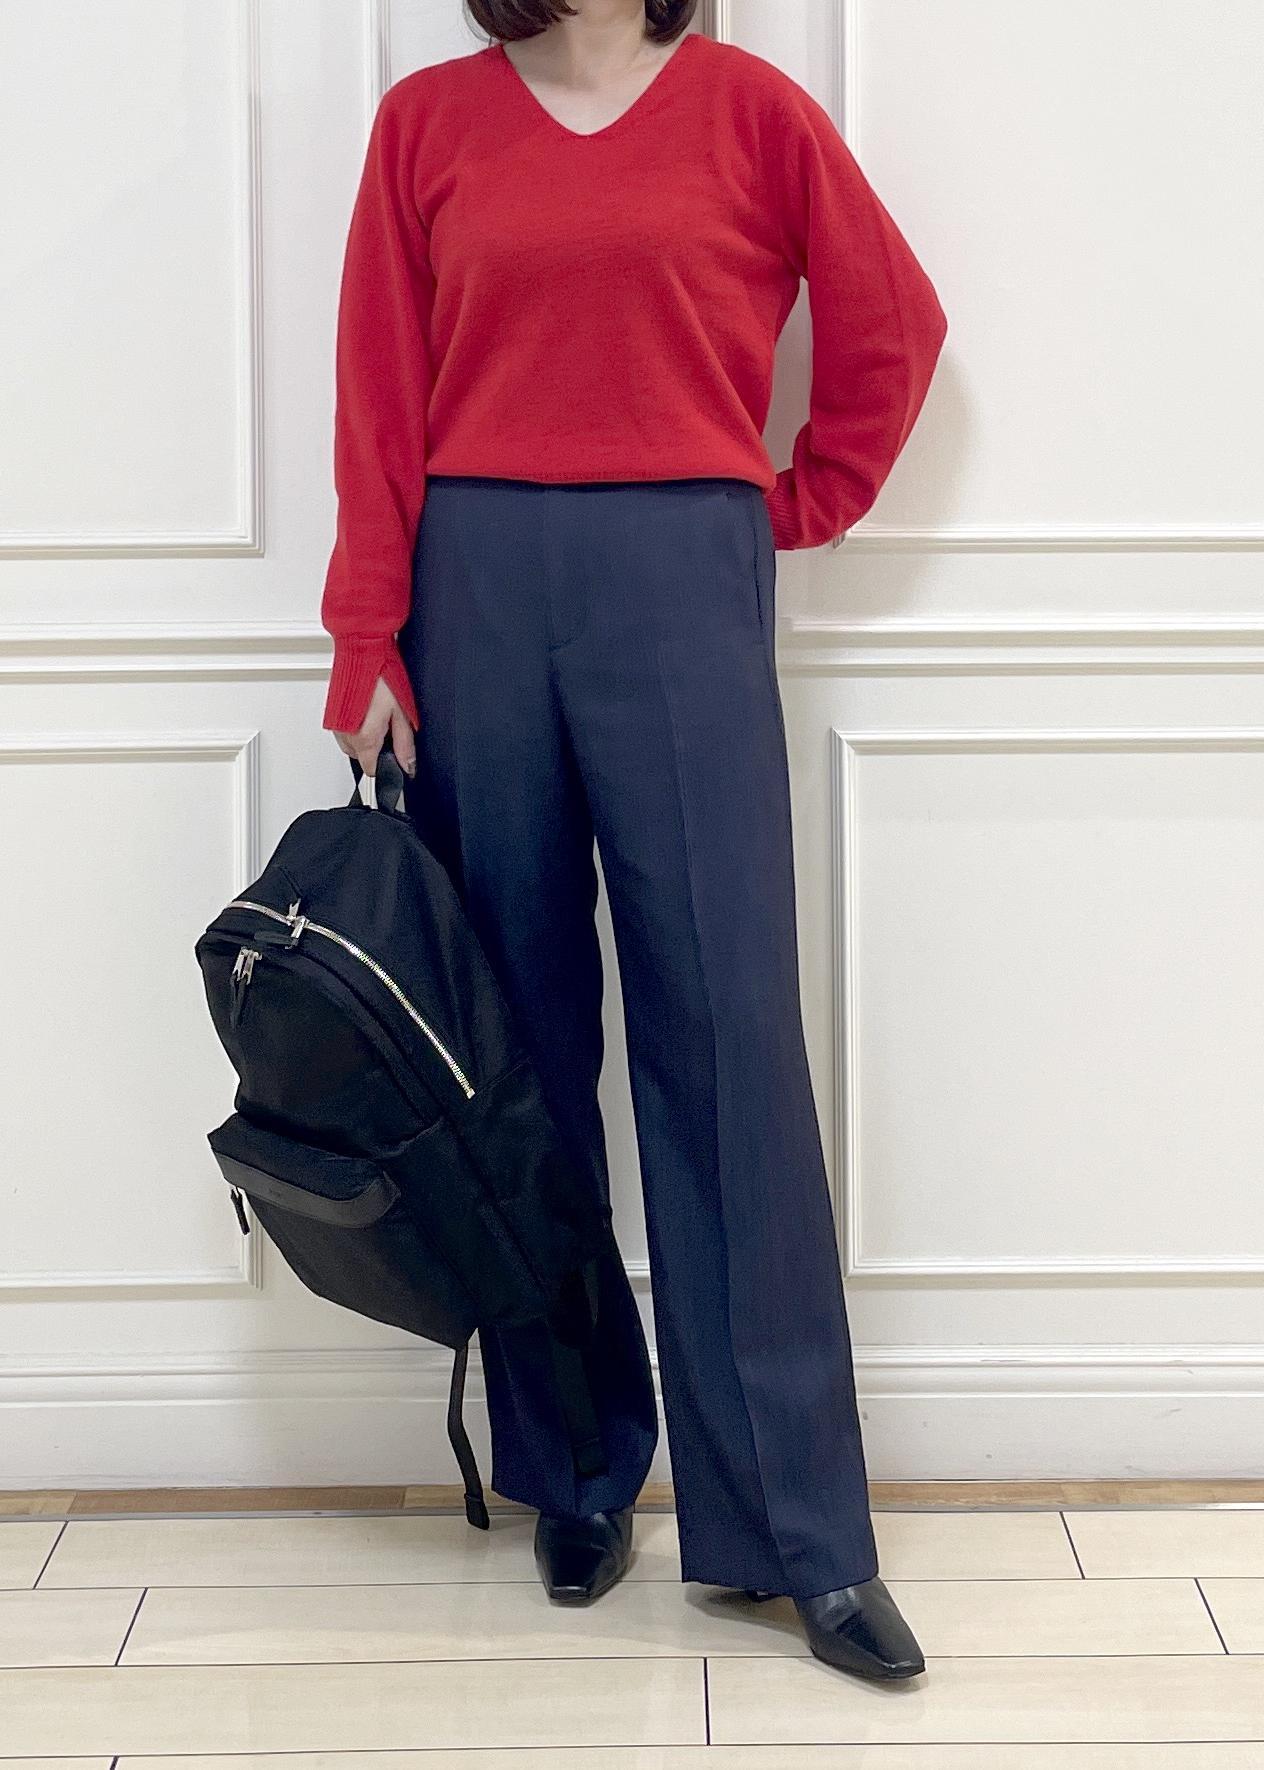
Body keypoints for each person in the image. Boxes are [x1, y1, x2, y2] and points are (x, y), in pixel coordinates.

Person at [320, 0, 946, 1681]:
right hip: (473, 585)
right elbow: (378, 387)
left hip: (683, 575)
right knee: (516, 1051)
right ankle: (575, 1468)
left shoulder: (752, 113)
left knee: (729, 1036)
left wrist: (796, 496)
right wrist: (365, 630)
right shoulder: (429, 125)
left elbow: (893, 324)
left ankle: (795, 1531)